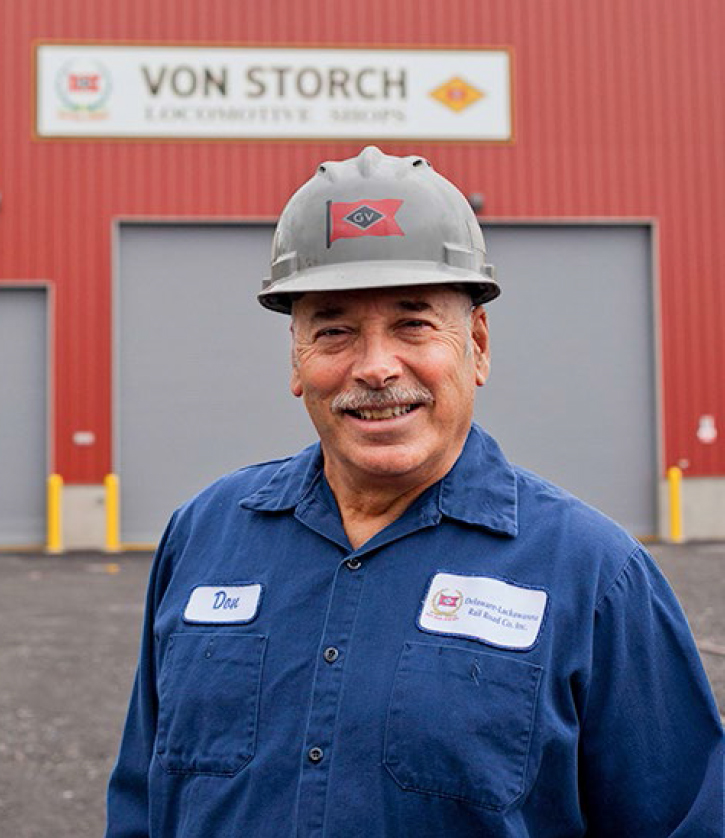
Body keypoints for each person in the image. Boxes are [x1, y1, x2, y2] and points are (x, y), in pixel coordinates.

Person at [105, 147, 724, 837]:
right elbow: (142, 797)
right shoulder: (205, 536)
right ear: (296, 359)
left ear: (477, 346)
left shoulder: (593, 576)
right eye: (334, 330)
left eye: (413, 323)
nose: (374, 367)